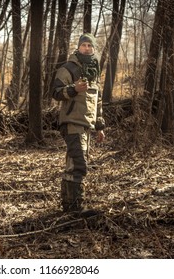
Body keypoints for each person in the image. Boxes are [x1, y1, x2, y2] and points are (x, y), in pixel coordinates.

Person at [52, 33, 106, 215]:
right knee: (79, 164)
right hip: (71, 122)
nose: (87, 48)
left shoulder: (94, 70)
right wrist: (73, 89)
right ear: (78, 47)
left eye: (90, 46)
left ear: (93, 48)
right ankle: (76, 208)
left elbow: (97, 101)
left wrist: (99, 126)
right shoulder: (68, 68)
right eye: (83, 45)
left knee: (72, 165)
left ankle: (68, 208)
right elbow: (56, 92)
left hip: (86, 125)